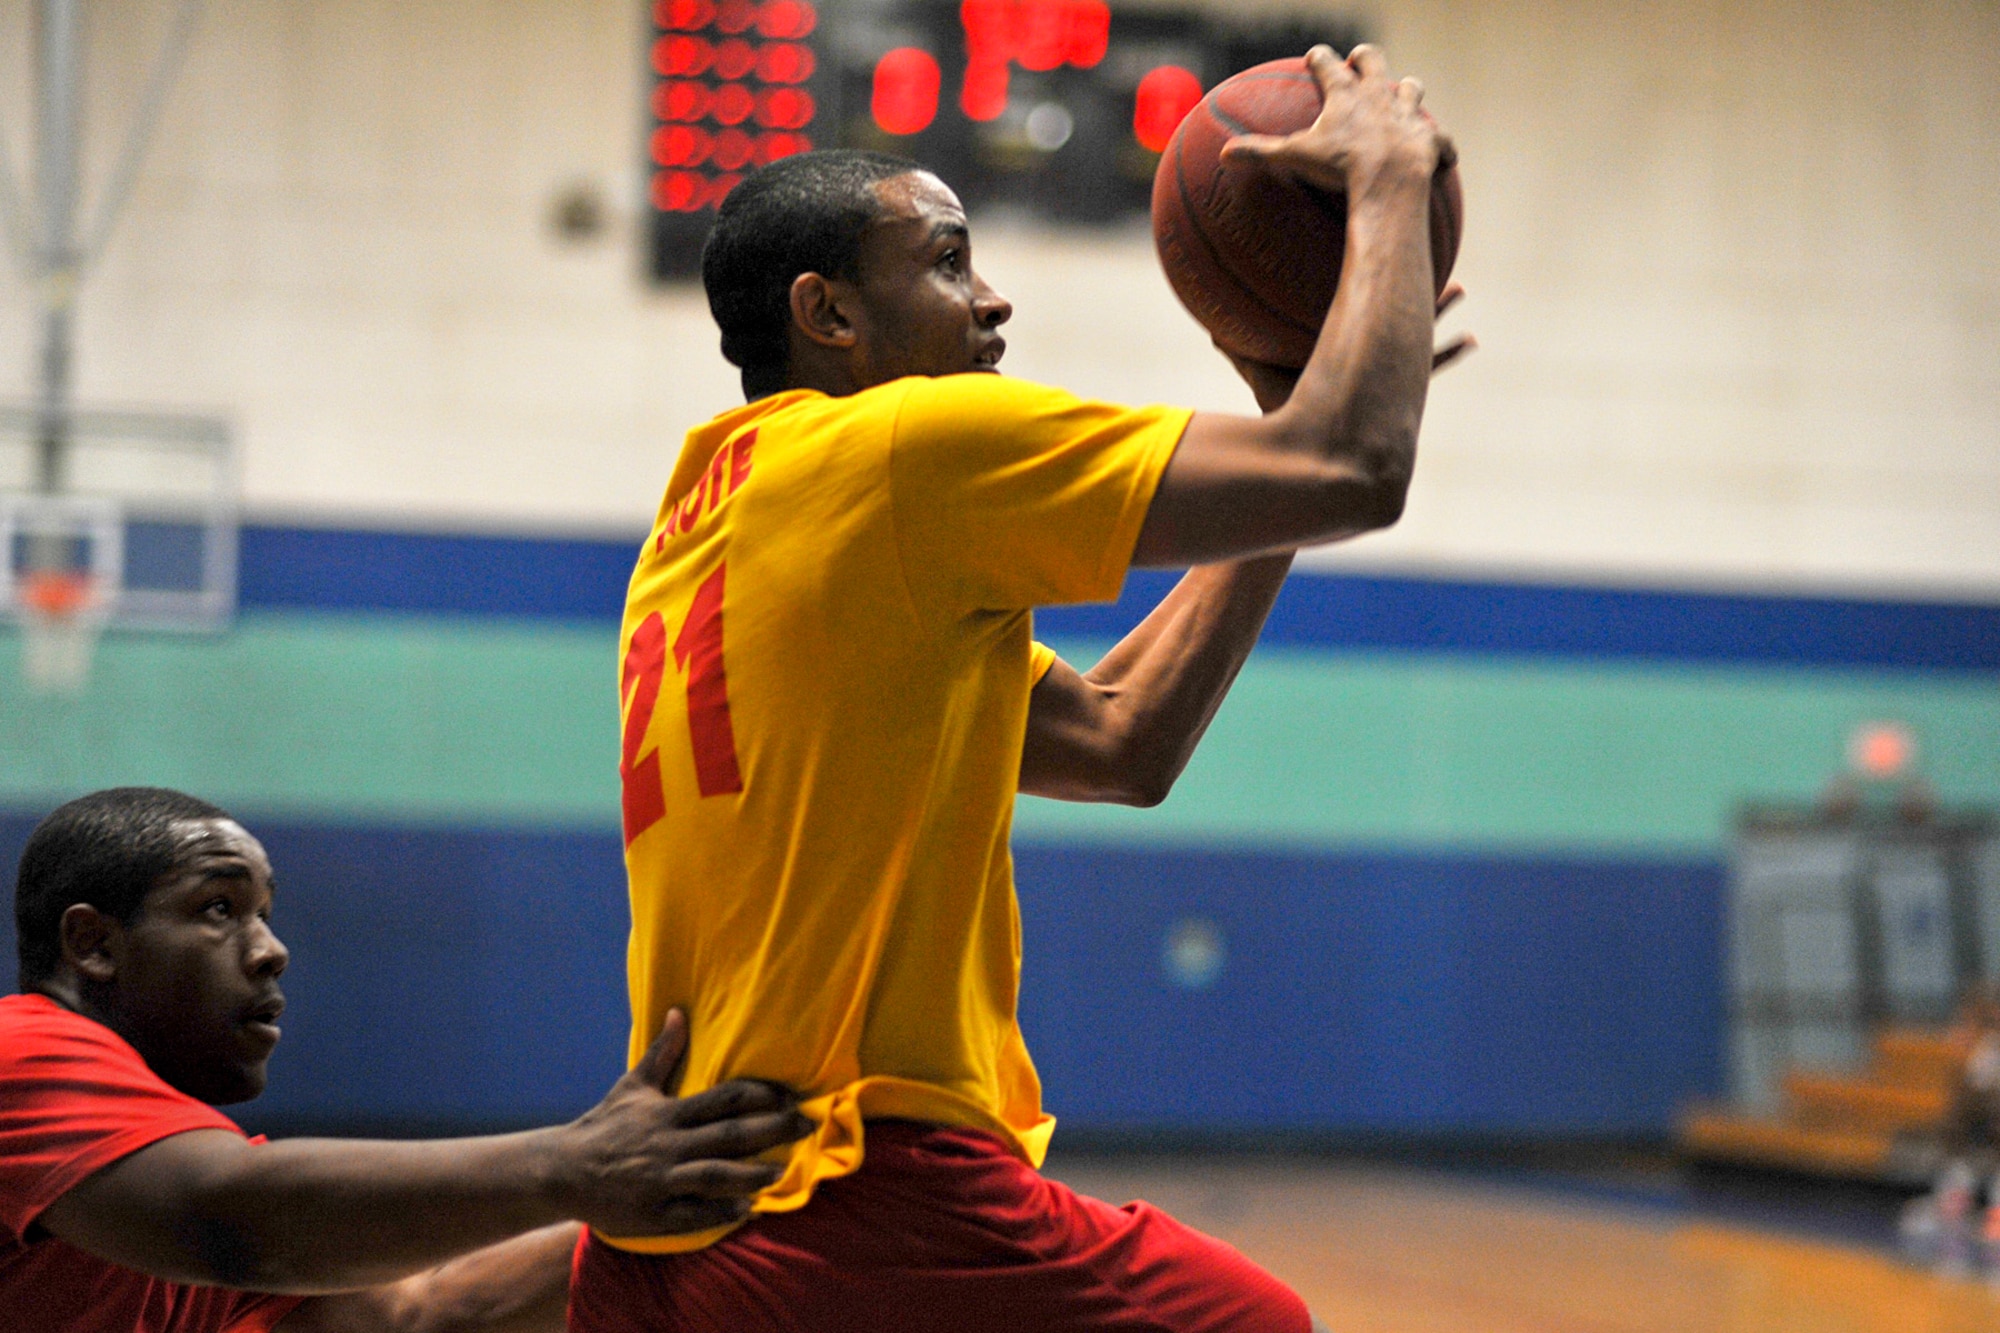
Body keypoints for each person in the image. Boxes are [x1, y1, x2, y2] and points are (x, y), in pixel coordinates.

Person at [576, 44, 1464, 1332]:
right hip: (852, 1185)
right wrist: (1384, 188)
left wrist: (1275, 453)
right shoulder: (897, 448)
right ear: (828, 318)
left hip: (673, 1208)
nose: (991, 303)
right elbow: (1354, 460)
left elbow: (1118, 741)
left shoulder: (712, 522)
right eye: (944, 263)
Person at [0, 786, 814, 1333]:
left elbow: (415, 1315)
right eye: (219, 908)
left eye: (264, 914)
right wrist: (576, 1162)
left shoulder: (166, 1201)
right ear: (93, 944)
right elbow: (234, 1216)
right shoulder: (21, 1050)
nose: (272, 950)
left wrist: (697, 1186)